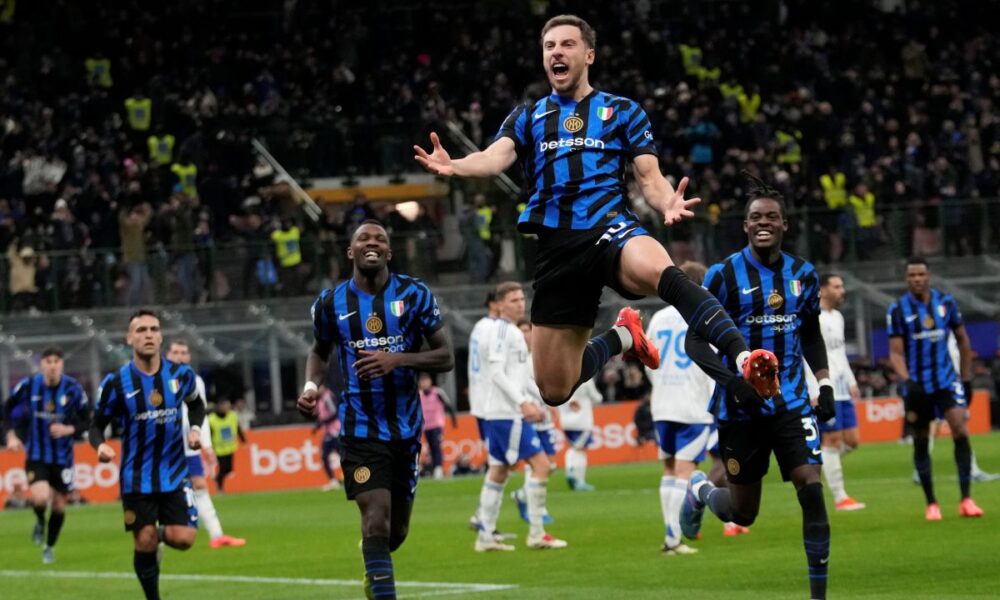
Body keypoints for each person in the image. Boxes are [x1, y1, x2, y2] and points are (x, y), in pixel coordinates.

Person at [414, 14, 774, 411]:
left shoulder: (623, 111)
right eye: (549, 47)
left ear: (589, 54)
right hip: (556, 247)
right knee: (554, 389)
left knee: (664, 272)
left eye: (566, 45)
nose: (556, 52)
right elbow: (493, 157)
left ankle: (745, 357)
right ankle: (623, 338)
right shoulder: (529, 115)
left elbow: (649, 177)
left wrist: (666, 200)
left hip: (610, 229)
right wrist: (456, 166)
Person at [681, 174, 835, 600]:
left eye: (771, 217)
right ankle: (700, 490)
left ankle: (818, 595)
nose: (763, 222)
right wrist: (734, 382)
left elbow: (810, 334)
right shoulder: (723, 275)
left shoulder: (804, 274)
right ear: (745, 225)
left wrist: (824, 384)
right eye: (755, 217)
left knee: (812, 486)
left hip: (793, 405)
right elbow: (695, 340)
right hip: (740, 410)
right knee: (743, 513)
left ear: (784, 224)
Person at [297, 220, 454, 600]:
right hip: (360, 429)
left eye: (380, 239)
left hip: (405, 431)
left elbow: (446, 356)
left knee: (395, 533)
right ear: (350, 252)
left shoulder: (414, 295)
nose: (372, 243)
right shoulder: (330, 303)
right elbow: (320, 351)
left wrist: (396, 359)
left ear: (389, 252)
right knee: (375, 519)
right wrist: (311, 387)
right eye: (363, 239)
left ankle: (374, 569)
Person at [89, 309, 205, 600]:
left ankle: (158, 538)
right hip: (136, 477)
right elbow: (96, 425)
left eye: (154, 329)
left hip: (176, 473)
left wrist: (195, 429)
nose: (149, 335)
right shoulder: (116, 383)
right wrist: (100, 445)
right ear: (130, 338)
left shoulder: (181, 375)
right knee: (143, 539)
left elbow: (197, 404)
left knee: (185, 539)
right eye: (141, 330)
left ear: (161, 336)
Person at [887, 257, 984, 519]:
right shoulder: (897, 309)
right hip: (918, 386)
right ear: (906, 279)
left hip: (946, 381)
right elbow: (895, 353)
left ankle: (966, 499)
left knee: (961, 430)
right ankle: (931, 503)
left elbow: (963, 342)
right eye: (911, 276)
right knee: (921, 439)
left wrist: (966, 378)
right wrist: (907, 380)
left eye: (920, 274)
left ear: (928, 276)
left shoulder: (947, 303)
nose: (916, 279)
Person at [473, 281, 566, 552]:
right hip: (506, 413)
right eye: (513, 300)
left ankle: (485, 536)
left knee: (498, 472)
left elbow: (519, 377)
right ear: (500, 304)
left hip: (501, 411)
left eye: (521, 299)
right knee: (541, 465)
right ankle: (537, 533)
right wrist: (523, 403)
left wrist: (537, 399)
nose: (520, 304)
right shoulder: (503, 331)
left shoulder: (511, 332)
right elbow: (497, 372)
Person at [644, 261, 715, 555]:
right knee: (685, 470)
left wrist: (661, 383)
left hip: (662, 402)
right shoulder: (705, 313)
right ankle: (673, 538)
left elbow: (647, 357)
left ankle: (670, 536)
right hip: (693, 404)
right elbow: (715, 361)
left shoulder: (659, 318)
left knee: (669, 469)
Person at [4, 347, 89, 564]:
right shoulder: (29, 385)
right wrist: (11, 436)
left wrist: (69, 430)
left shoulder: (73, 389)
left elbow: (88, 420)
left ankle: (49, 546)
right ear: (42, 364)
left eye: (56, 361)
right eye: (48, 361)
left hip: (63, 458)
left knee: (59, 506)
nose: (52, 365)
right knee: (41, 498)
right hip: (37, 454)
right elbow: (5, 410)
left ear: (61, 364)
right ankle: (40, 521)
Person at [165, 340, 246, 547]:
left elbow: (199, 414)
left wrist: (206, 444)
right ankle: (157, 537)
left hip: (189, 443)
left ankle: (217, 535)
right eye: (176, 352)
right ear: (168, 354)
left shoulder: (195, 381)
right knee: (163, 489)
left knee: (200, 485)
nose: (180, 356)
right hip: (165, 444)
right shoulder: (159, 378)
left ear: (189, 357)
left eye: (184, 352)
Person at [814, 274, 866, 511]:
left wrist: (852, 380)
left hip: (843, 386)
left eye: (841, 286)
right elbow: (810, 356)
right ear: (823, 290)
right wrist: (814, 387)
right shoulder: (814, 317)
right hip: (825, 386)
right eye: (836, 286)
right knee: (833, 440)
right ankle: (840, 497)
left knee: (853, 441)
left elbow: (840, 352)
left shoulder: (839, 317)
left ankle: (820, 462)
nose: (841, 290)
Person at [512, 318, 557, 523]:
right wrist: (529, 405)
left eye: (528, 331)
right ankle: (537, 510)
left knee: (549, 465)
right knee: (538, 464)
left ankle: (522, 496)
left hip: (544, 418)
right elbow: (519, 387)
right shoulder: (517, 358)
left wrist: (553, 408)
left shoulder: (539, 356)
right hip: (529, 416)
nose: (525, 335)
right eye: (521, 331)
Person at [558, 376, 601, 492]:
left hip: (565, 420)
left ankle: (571, 471)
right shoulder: (586, 375)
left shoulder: (561, 376)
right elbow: (596, 397)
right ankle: (577, 477)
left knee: (573, 447)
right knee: (580, 450)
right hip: (582, 420)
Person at [418, 372, 457, 480]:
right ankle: (435, 468)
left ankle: (438, 469)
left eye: (426, 380)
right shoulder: (419, 395)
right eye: (422, 381)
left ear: (430, 382)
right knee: (430, 447)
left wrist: (454, 420)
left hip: (437, 425)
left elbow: (448, 405)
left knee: (436, 445)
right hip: (426, 426)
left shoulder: (437, 392)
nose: (424, 383)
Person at [208, 399, 246, 493]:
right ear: (219, 406)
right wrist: (209, 446)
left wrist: (243, 440)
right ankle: (220, 488)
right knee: (223, 467)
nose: (227, 408)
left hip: (230, 447)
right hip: (219, 449)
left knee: (229, 469)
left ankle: (218, 479)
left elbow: (237, 427)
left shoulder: (232, 415)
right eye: (225, 406)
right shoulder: (211, 419)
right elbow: (209, 434)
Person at [314, 385, 343, 491]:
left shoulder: (327, 397)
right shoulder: (320, 399)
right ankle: (333, 481)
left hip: (335, 430)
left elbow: (335, 412)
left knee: (342, 454)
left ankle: (349, 477)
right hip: (328, 432)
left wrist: (323, 422)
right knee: (325, 456)